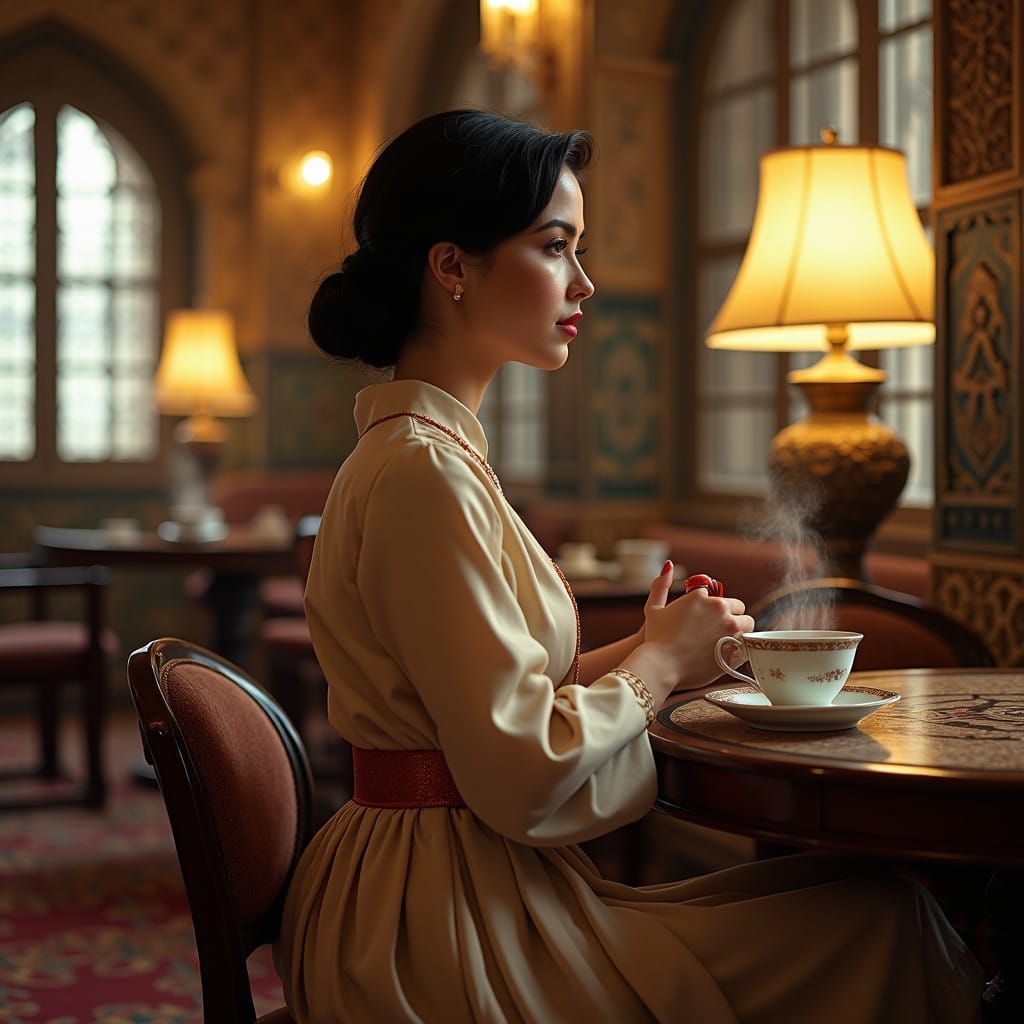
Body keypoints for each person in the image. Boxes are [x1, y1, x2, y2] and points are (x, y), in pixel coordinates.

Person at [274, 109, 982, 1023]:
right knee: (889, 922)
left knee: (878, 901)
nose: (586, 280)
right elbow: (519, 770)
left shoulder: (430, 458)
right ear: (451, 267)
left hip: (449, 881)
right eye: (556, 246)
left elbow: (492, 701)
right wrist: (656, 667)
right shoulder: (423, 474)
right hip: (435, 928)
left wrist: (666, 648)